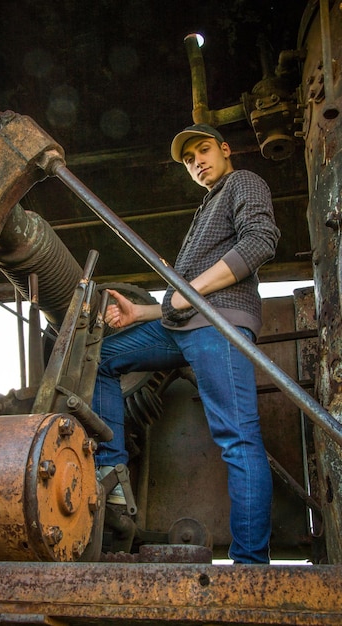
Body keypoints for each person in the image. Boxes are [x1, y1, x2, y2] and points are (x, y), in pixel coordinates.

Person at [92, 123, 281, 564]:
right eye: (189, 160)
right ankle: (113, 482)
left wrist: (187, 293)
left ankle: (250, 566)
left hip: (219, 325)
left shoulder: (244, 182)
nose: (197, 162)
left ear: (225, 150)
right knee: (102, 357)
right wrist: (143, 313)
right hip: (185, 324)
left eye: (203, 150)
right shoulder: (205, 209)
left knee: (238, 440)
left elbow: (261, 242)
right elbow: (183, 300)